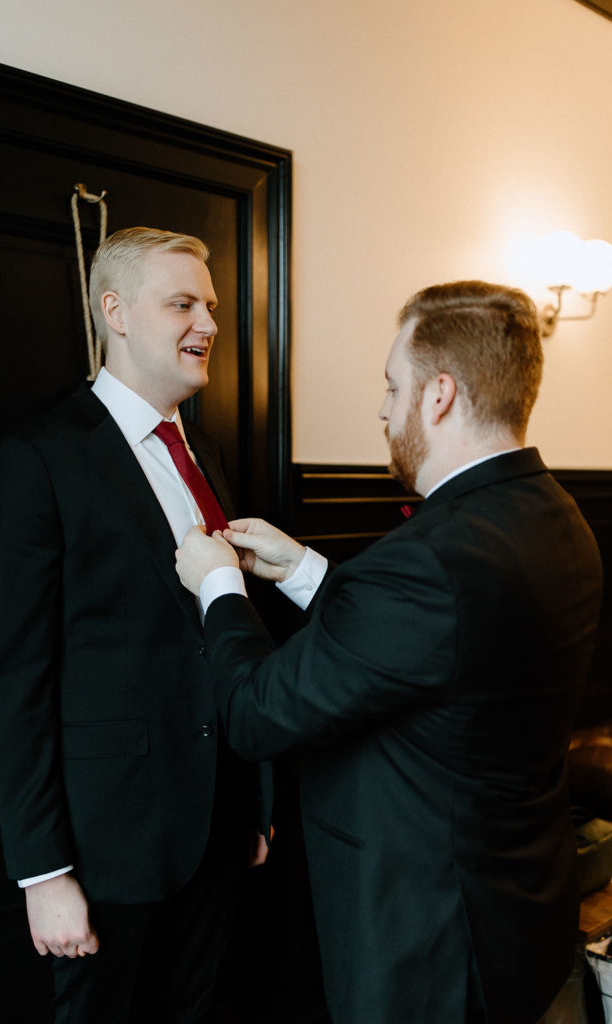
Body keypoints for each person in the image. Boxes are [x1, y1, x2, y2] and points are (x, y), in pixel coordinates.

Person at [175, 280, 604, 1024]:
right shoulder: (553, 517)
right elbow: (440, 644)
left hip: (430, 939)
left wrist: (220, 591)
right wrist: (308, 572)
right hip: (523, 908)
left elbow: (255, 711)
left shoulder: (428, 560)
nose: (380, 408)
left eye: (390, 385)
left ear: (438, 395)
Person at [0, 226, 269, 1023]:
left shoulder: (203, 449)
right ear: (115, 311)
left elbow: (218, 636)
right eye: (181, 303)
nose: (207, 325)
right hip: (105, 854)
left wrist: (248, 807)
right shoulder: (37, 460)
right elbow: (15, 680)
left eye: (208, 306)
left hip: (214, 836)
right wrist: (43, 874)